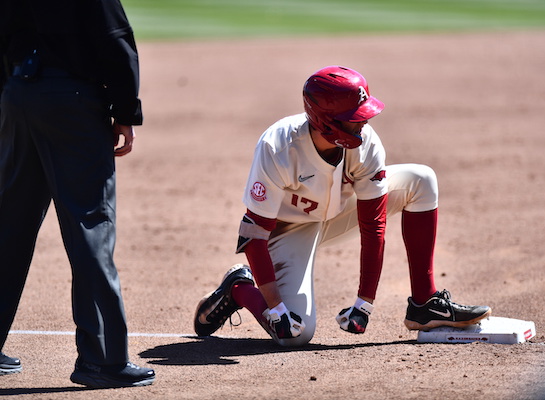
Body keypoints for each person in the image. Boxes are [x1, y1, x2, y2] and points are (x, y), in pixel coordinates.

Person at [194, 65, 491, 346]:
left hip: (339, 215)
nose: (364, 122)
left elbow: (374, 226)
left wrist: (365, 303)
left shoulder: (365, 144)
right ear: (326, 120)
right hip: (286, 232)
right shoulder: (278, 147)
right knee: (294, 335)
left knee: (421, 179)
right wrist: (274, 307)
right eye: (355, 116)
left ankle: (424, 305)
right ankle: (240, 287)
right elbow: (254, 234)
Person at [0, 0, 155, 387]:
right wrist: (125, 112)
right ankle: (102, 360)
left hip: (19, 95)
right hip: (72, 105)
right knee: (91, 225)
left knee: (8, 226)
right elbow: (115, 38)